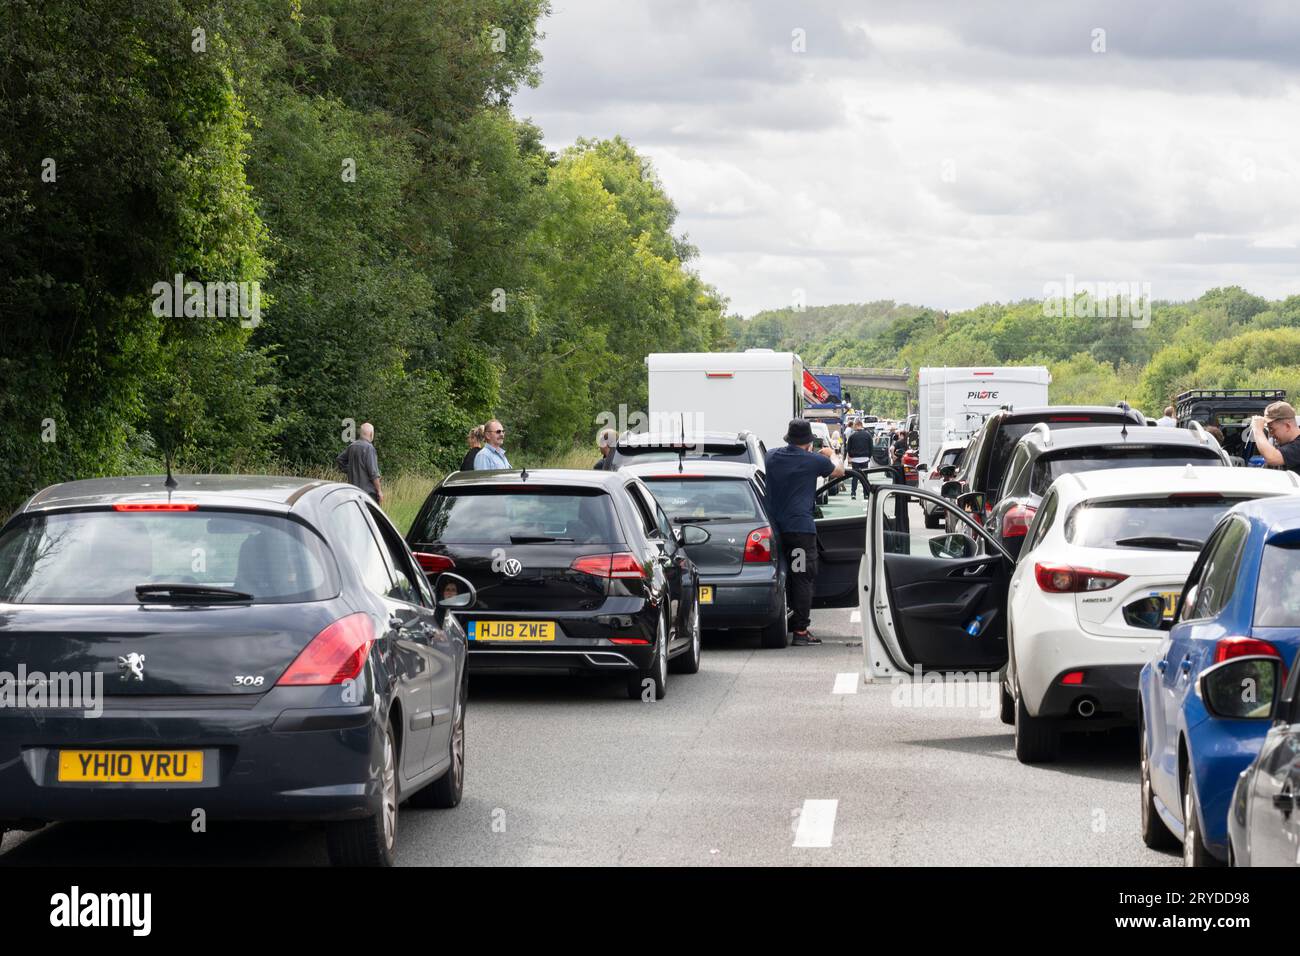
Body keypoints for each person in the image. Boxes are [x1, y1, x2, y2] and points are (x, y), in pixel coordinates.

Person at [764, 419, 845, 646]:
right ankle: (800, 631)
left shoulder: (771, 457)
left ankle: (783, 619)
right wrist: (832, 453)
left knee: (782, 574)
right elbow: (839, 471)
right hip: (800, 531)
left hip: (774, 531)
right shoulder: (814, 461)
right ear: (809, 442)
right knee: (801, 577)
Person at [336, 422, 383, 504]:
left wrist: (350, 469)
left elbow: (340, 459)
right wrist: (379, 491)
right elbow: (373, 473)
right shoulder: (369, 448)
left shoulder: (352, 446)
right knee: (370, 516)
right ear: (371, 434)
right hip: (368, 494)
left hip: (353, 492)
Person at [1250, 401, 1300, 475]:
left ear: (1287, 426)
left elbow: (1272, 458)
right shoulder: (1285, 445)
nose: (1271, 434)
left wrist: (1257, 429)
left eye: (1272, 429)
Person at [844, 419, 874, 498]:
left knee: (855, 477)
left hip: (855, 459)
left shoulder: (852, 435)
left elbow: (848, 447)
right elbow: (871, 447)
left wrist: (851, 455)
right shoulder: (868, 435)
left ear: (857, 425)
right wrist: (869, 456)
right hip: (865, 458)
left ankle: (853, 493)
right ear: (861, 425)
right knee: (865, 477)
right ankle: (866, 493)